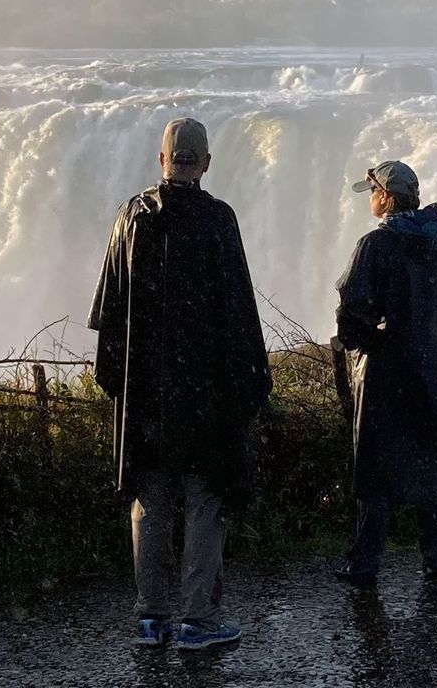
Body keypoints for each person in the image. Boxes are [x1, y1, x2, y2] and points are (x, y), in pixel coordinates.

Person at [89, 117, 272, 650]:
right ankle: (197, 619)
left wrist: (124, 378)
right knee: (204, 498)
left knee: (151, 499)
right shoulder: (218, 220)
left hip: (147, 391)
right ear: (207, 163)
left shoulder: (132, 216)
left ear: (161, 159)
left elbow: (107, 310)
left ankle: (152, 619)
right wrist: (246, 386)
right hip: (208, 393)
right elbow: (239, 312)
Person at [332, 159, 437, 587]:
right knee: (433, 463)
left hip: (383, 374)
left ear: (385, 197)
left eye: (372, 194)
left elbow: (352, 309)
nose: (371, 201)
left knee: (376, 465)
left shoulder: (376, 244)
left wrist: (371, 340)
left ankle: (365, 562)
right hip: (431, 369)